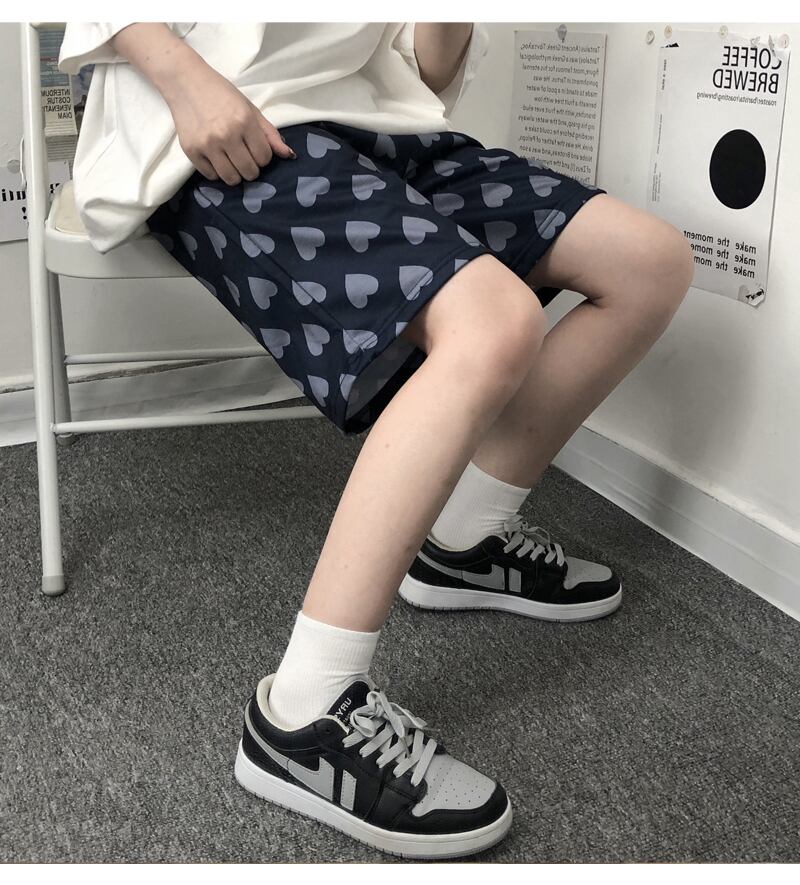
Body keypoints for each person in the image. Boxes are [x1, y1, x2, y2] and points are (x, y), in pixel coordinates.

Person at [58, 22, 695, 859]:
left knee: (649, 262)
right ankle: (300, 714)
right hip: (227, 124)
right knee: (493, 323)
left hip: (384, 130)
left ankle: (465, 539)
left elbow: (421, 68)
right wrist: (184, 78)